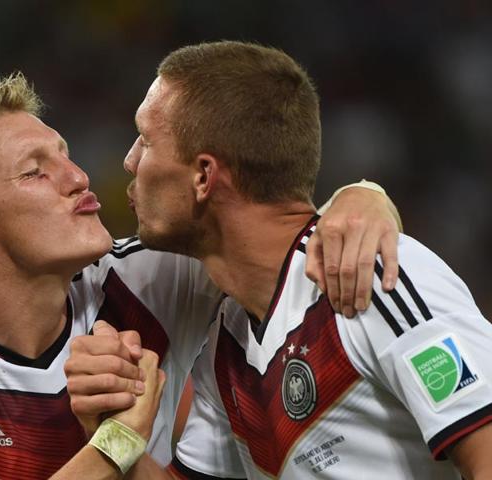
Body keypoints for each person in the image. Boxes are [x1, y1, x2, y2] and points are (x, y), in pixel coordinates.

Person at [0, 73, 398, 479]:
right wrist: (118, 439)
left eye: (64, 155)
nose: (78, 176)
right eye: (35, 171)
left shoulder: (148, 277)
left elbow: (278, 235)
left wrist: (363, 198)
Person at [66, 41, 492, 479]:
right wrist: (114, 434)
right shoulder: (228, 342)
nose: (130, 161)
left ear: (203, 176)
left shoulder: (370, 275)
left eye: (146, 140)